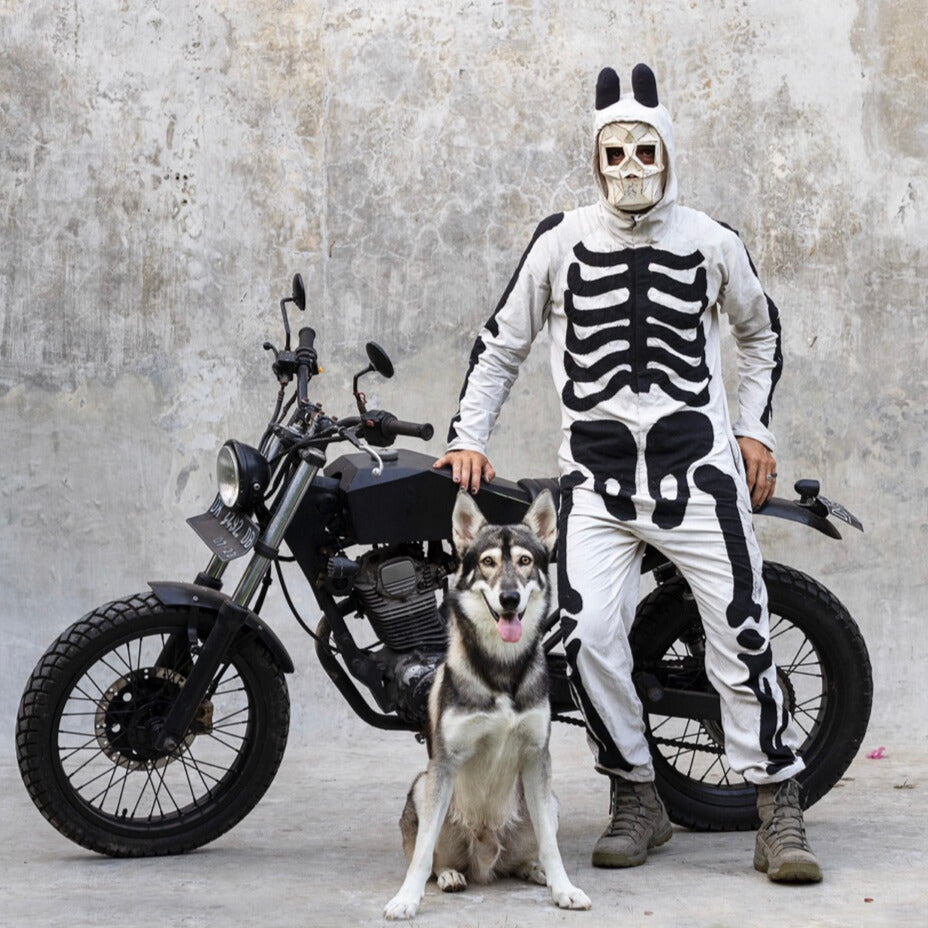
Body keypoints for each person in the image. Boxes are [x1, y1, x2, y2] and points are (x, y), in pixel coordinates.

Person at [433, 63, 822, 883]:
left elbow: (760, 333)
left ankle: (777, 804)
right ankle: (637, 793)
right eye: (613, 153)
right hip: (598, 488)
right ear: (594, 158)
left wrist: (752, 429)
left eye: (645, 150)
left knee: (743, 632)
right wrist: (467, 435)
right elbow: (501, 341)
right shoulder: (562, 242)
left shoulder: (711, 242)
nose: (630, 167)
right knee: (579, 631)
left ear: (669, 153)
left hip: (699, 474)